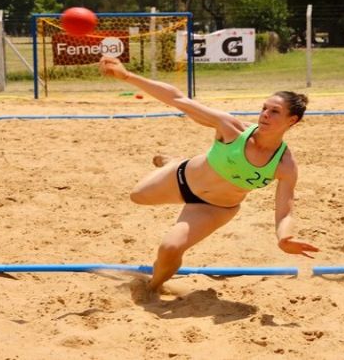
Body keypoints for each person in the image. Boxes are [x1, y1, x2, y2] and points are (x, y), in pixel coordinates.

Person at [98, 55, 319, 297]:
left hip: (215, 207)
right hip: (181, 178)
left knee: (170, 247)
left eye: (275, 111)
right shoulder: (231, 128)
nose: (265, 114)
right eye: (264, 108)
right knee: (137, 196)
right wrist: (127, 76)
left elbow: (285, 211)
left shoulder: (285, 164)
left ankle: (153, 288)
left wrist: (284, 237)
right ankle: (173, 162)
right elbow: (177, 99)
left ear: (292, 120)